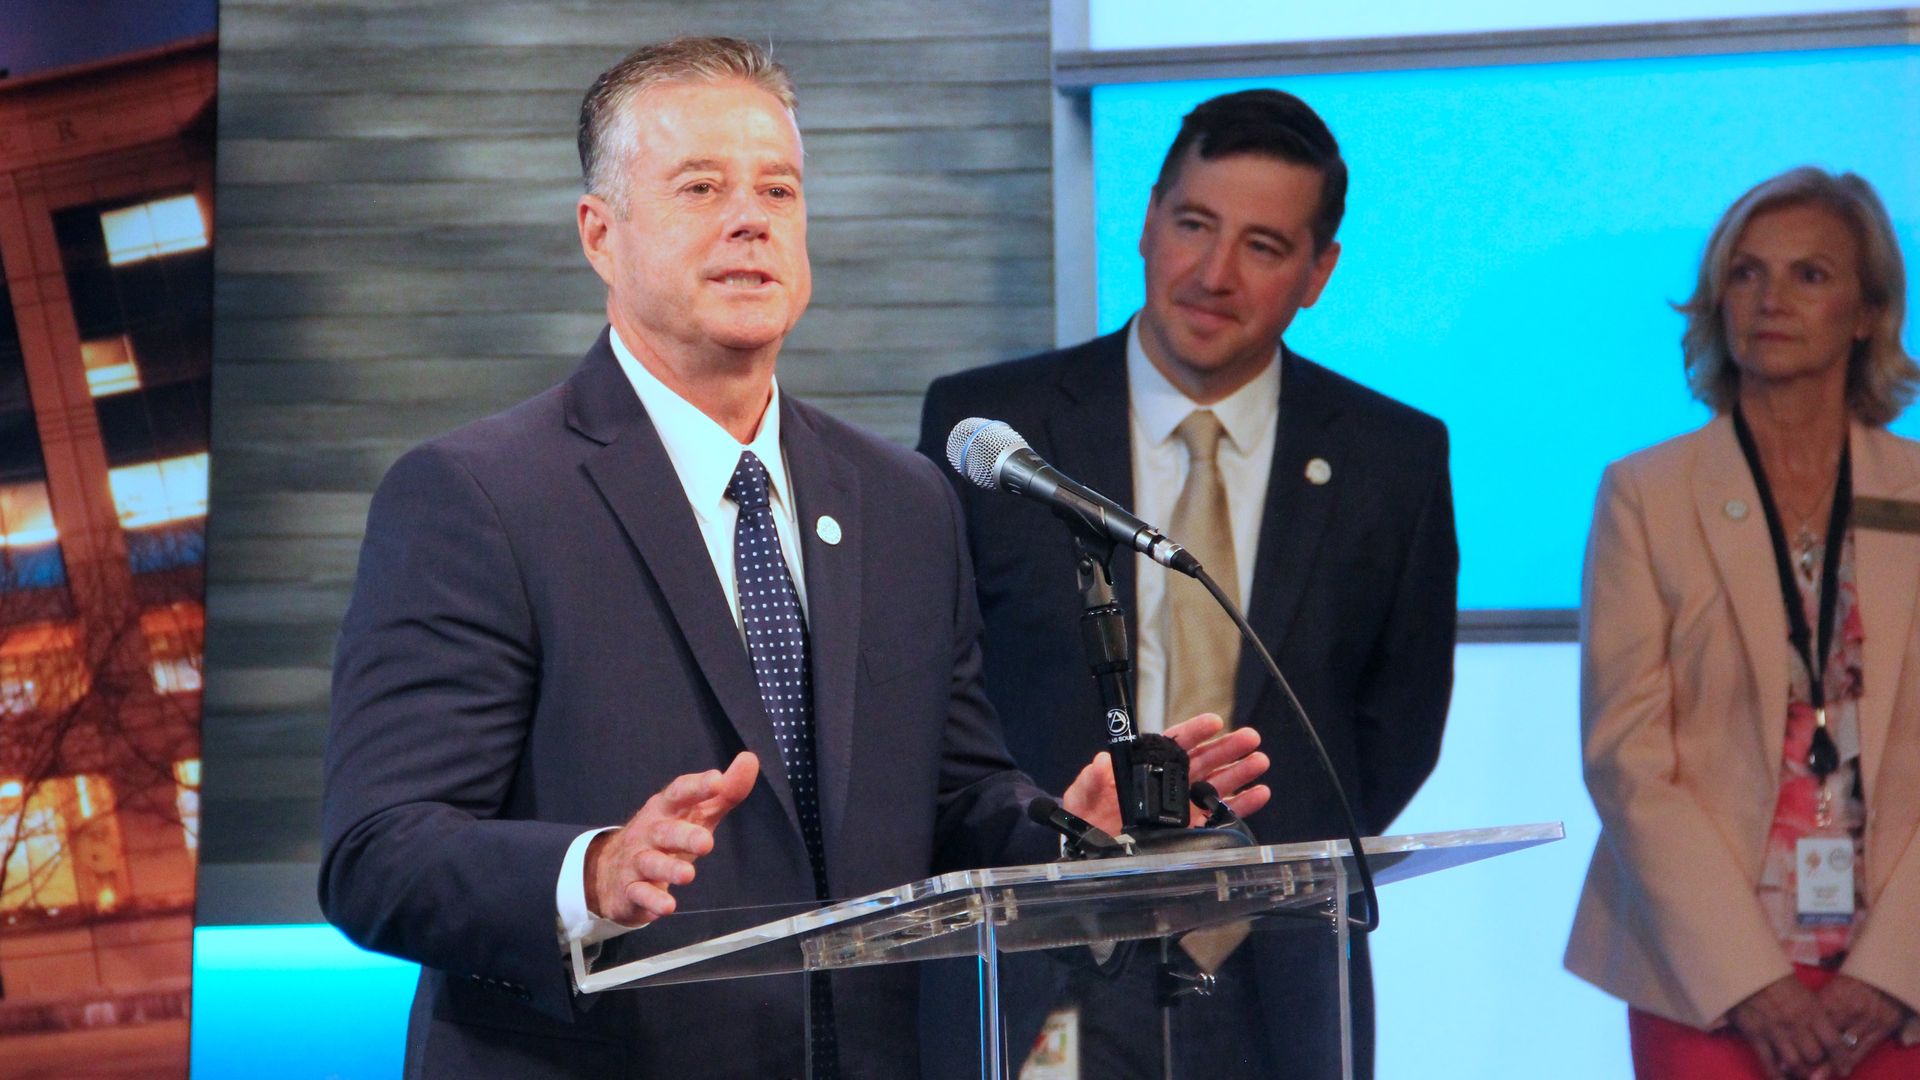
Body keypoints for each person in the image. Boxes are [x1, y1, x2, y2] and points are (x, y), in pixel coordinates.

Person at [318, 37, 1269, 1080]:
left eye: (779, 187)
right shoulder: (480, 496)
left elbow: (949, 799)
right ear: (600, 234)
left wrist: (1065, 837)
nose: (750, 218)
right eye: (700, 186)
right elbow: (379, 855)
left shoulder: (902, 501)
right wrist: (588, 872)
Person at [918, 89, 1457, 1079]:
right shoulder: (996, 430)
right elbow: (939, 708)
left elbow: (1397, 728)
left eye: (1263, 245)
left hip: (1281, 964)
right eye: (1194, 225)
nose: (1212, 275)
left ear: (1317, 273)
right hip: (1045, 946)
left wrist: (1264, 872)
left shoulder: (1394, 457)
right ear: (1147, 220)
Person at [1566, 167, 1920, 1080]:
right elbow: (1627, 758)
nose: (1771, 299)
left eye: (1810, 274)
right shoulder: (1647, 493)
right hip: (1704, 977)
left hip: (1900, 979)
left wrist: (1893, 974)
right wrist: (1748, 980)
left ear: (1870, 309)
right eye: (1746, 273)